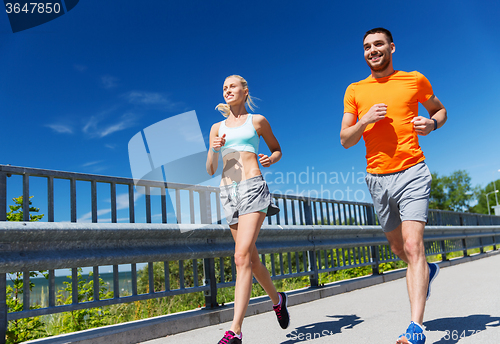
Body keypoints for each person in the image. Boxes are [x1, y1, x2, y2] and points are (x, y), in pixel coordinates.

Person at [340, 28, 447, 344]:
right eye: (366, 47)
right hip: (377, 179)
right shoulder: (355, 90)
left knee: (413, 245)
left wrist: (432, 123)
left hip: (413, 171)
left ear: (391, 47)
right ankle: (427, 270)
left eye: (378, 44)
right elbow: (345, 140)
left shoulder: (414, 79)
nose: (372, 50)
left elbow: (439, 110)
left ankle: (415, 328)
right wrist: (365, 120)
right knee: (398, 248)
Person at [206, 75, 290, 344]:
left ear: (245, 91)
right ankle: (278, 300)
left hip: (253, 187)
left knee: (240, 258)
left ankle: (235, 331)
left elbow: (276, 149)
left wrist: (271, 159)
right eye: (224, 88)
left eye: (232, 86)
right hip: (227, 192)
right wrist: (213, 148)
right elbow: (210, 169)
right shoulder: (216, 127)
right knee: (251, 261)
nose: (228, 90)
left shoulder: (257, 121)